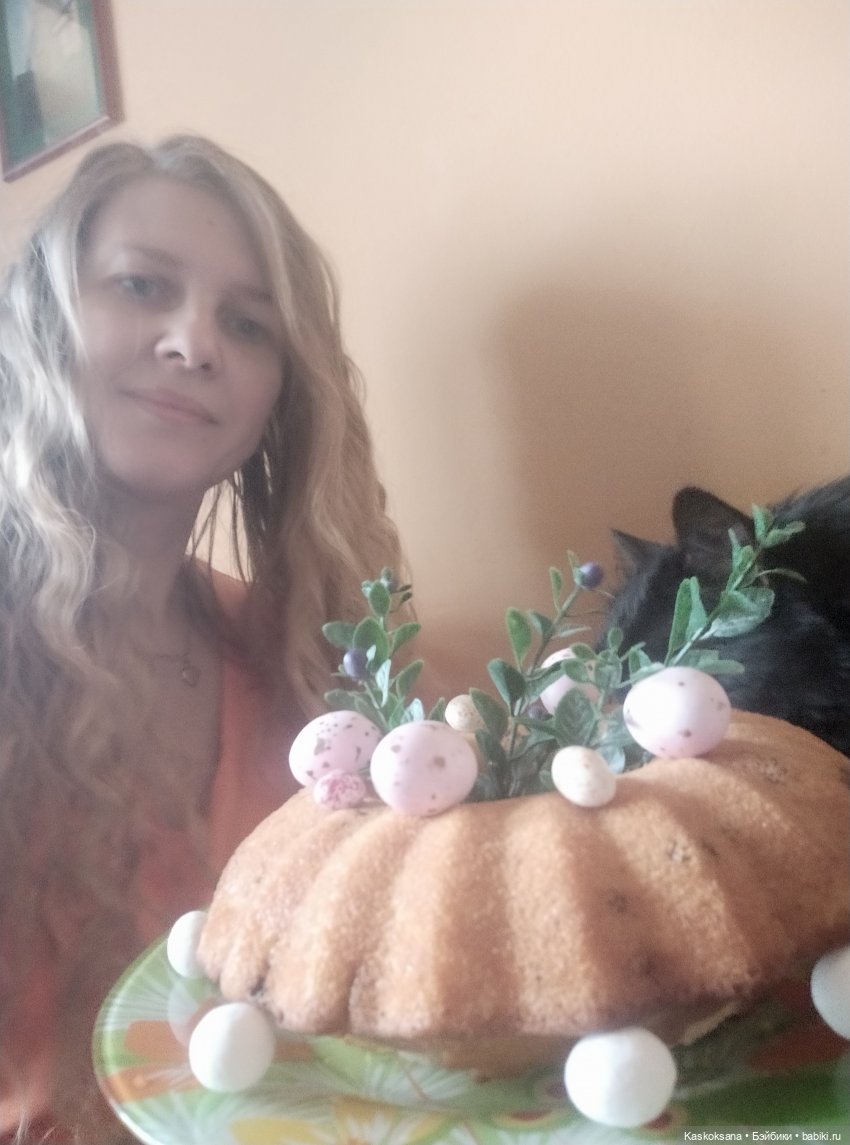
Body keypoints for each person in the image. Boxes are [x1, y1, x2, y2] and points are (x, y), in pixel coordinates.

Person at [0, 134, 405, 1143]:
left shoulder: (305, 657)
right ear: (43, 319)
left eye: (247, 323)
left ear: (280, 397)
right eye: (142, 286)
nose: (194, 342)